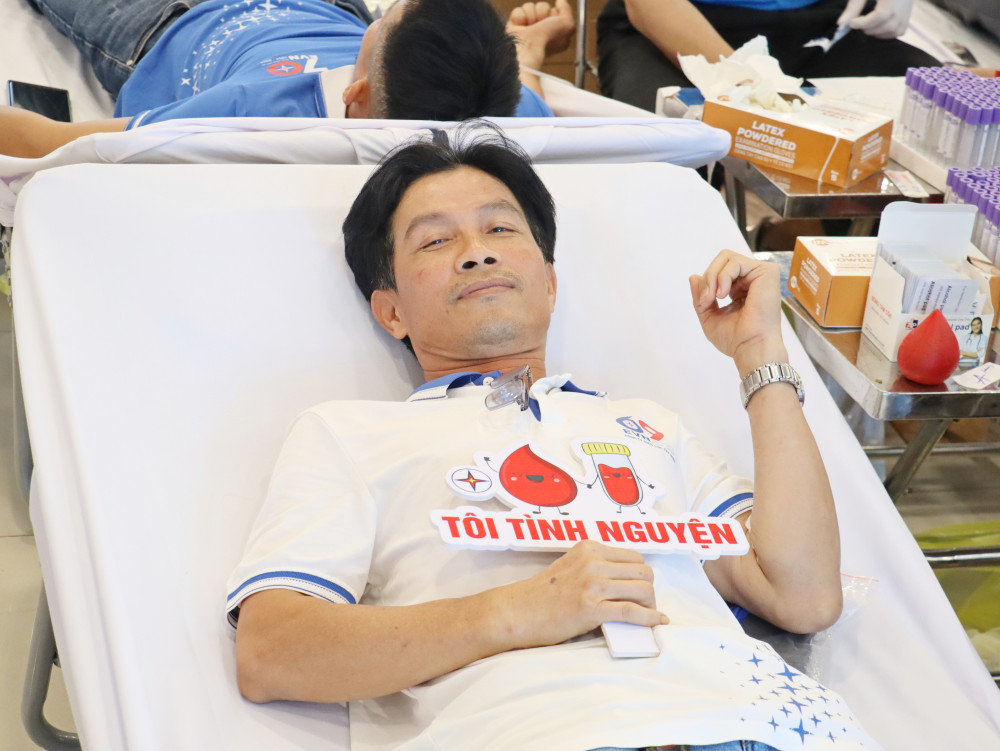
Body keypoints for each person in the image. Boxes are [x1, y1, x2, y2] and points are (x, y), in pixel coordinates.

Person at [225, 125, 879, 750]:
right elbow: (271, 651)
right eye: (435, 241)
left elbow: (804, 595)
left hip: (764, 727)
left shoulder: (652, 427)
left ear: (550, 281)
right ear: (391, 309)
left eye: (500, 228)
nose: (477, 251)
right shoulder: (350, 433)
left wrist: (760, 355)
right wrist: (519, 611)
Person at [0, 0, 575, 158]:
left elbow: (46, 142)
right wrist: (535, 40)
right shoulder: (497, 106)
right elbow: (521, 75)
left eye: (387, 19)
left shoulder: (253, 114)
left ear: (354, 95)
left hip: (174, 20)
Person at [597, 0, 940, 111]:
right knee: (660, 140)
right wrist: (749, 81)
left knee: (934, 107)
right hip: (679, 23)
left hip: (822, 23)